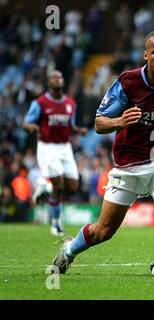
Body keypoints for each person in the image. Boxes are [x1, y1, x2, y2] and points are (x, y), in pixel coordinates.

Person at [51, 30, 154, 278]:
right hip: (128, 164)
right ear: (146, 55)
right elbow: (99, 123)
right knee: (103, 231)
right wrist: (120, 120)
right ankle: (69, 250)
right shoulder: (128, 82)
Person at [23, 70, 87, 236]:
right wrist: (34, 127)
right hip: (47, 147)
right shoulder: (40, 103)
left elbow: (70, 126)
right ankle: (56, 224)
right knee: (58, 184)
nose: (58, 79)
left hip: (65, 148)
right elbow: (26, 123)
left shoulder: (70, 103)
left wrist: (78, 130)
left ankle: (45, 186)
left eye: (60, 77)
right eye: (54, 77)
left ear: (63, 81)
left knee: (72, 188)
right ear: (49, 82)